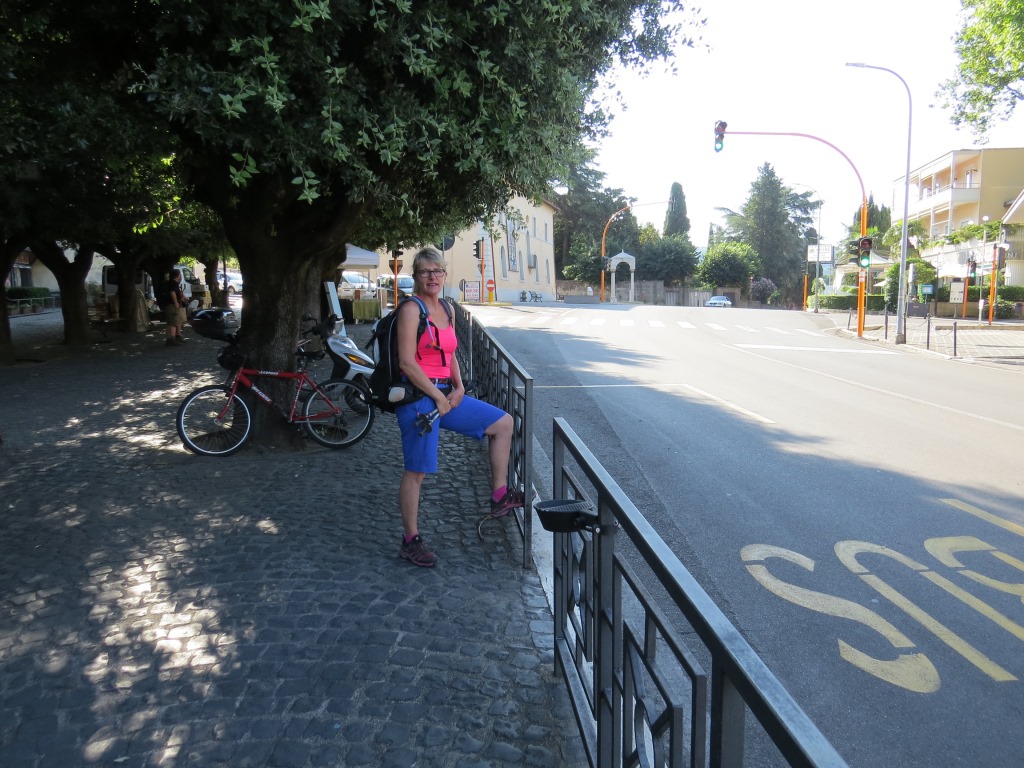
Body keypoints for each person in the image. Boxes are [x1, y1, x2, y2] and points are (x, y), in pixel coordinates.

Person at [394, 247, 523, 567]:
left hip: (447, 394)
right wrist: (438, 397)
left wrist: (460, 385)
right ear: (416, 276)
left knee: (503, 423)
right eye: (425, 272)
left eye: (437, 271)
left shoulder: (447, 308)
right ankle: (410, 540)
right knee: (417, 472)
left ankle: (499, 496)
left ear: (445, 274)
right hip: (418, 398)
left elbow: (449, 352)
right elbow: (407, 363)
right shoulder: (411, 309)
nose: (432, 277)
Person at [161, 269, 187, 346]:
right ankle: (172, 339)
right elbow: (172, 292)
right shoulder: (173, 283)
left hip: (169, 304)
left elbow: (176, 293)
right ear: (177, 275)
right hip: (171, 305)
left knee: (174, 321)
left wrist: (181, 298)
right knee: (173, 322)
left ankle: (174, 337)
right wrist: (176, 303)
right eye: (180, 274)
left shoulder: (171, 283)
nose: (180, 276)